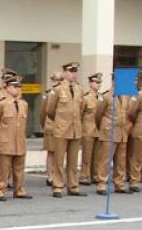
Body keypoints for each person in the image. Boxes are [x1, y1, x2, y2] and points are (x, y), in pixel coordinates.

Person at [45, 61, 86, 198]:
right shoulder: (57, 90)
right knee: (59, 160)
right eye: (70, 71)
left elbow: (82, 109)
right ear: (64, 73)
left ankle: (73, 186)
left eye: (75, 72)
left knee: (73, 161)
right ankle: (57, 186)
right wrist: (59, 122)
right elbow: (50, 110)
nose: (73, 74)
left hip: (76, 130)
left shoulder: (80, 89)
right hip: (61, 130)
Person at [0, 75, 32, 201]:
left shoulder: (24, 104)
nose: (17, 89)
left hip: (19, 140)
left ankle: (19, 190)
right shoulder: (1, 104)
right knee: (3, 168)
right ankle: (0, 191)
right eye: (14, 86)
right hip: (6, 139)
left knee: (19, 167)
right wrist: (0, 134)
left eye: (19, 87)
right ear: (7, 88)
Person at [93, 76, 132, 195]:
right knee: (105, 160)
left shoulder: (126, 96)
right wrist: (104, 128)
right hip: (109, 132)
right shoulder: (106, 96)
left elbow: (128, 113)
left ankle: (119, 184)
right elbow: (98, 115)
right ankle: (102, 184)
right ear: (114, 81)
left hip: (122, 132)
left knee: (121, 161)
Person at [79, 72, 104, 186]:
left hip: (98, 130)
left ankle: (95, 174)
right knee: (87, 155)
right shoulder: (85, 98)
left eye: (99, 83)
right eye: (96, 82)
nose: (98, 85)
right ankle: (84, 176)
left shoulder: (102, 97)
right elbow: (80, 114)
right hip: (87, 129)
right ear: (90, 83)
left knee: (98, 155)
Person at [40, 72, 63, 188]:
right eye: (55, 80)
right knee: (51, 152)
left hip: (62, 127)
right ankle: (50, 176)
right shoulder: (48, 94)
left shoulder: (63, 93)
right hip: (51, 125)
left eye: (59, 80)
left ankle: (57, 176)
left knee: (59, 152)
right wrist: (44, 125)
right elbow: (43, 112)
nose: (57, 82)